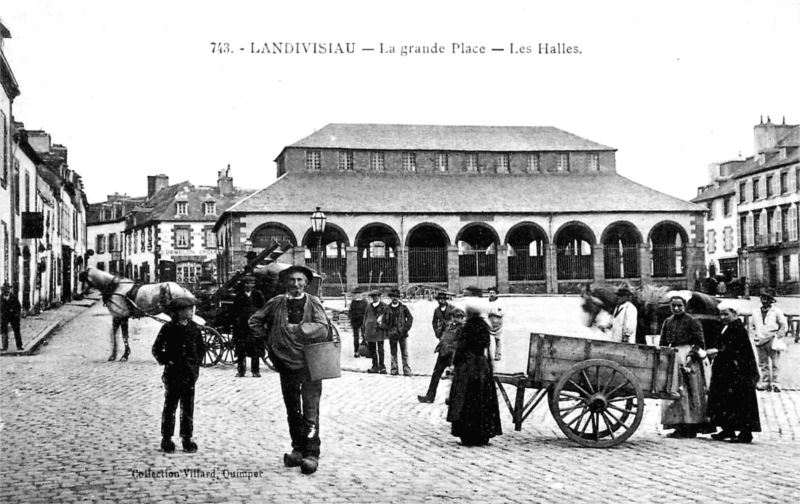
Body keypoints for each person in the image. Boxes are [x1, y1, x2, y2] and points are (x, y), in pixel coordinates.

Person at [249, 265, 330, 475]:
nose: (296, 284)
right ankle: (297, 449)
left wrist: (300, 330)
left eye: (300, 280)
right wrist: (269, 340)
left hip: (310, 363)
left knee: (311, 409)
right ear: (286, 282)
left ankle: (312, 452)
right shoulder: (276, 303)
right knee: (293, 409)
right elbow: (255, 320)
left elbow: (323, 327)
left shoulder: (313, 303)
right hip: (286, 364)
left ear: (306, 283)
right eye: (292, 280)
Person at [447, 287, 502, 446]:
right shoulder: (484, 326)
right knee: (483, 400)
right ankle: (483, 433)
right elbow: (487, 347)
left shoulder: (468, 327)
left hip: (468, 367)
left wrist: (456, 362)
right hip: (482, 366)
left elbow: (462, 348)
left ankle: (468, 434)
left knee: (466, 399)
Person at [151, 297, 204, 454]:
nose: (190, 312)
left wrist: (195, 365)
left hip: (189, 374)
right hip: (173, 373)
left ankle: (187, 438)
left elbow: (201, 348)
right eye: (187, 309)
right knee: (170, 407)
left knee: (188, 408)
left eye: (191, 309)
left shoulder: (195, 328)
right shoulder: (168, 328)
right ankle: (166, 438)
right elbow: (156, 349)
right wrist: (169, 361)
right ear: (178, 312)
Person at [706, 301, 761, 444]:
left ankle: (745, 432)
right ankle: (727, 428)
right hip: (726, 370)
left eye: (726, 314)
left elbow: (738, 350)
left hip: (737, 371)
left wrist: (718, 351)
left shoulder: (738, 329)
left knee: (740, 401)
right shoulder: (727, 327)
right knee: (725, 400)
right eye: (721, 314)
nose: (723, 317)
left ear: (735, 314)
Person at [659, 291, 712, 439]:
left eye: (679, 306)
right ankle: (677, 424)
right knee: (674, 390)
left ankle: (691, 425)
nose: (676, 309)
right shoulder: (668, 321)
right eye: (673, 306)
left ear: (685, 306)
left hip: (689, 358)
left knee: (689, 391)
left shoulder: (692, 321)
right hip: (673, 357)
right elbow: (662, 341)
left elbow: (700, 343)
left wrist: (690, 356)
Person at [419, 307, 465, 403]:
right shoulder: (449, 326)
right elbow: (444, 338)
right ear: (452, 317)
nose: (459, 319)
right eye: (457, 317)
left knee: (455, 378)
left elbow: (460, 345)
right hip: (443, 354)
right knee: (436, 374)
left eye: (461, 317)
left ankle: (453, 399)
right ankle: (430, 396)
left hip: (453, 356)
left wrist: (454, 360)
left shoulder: (462, 329)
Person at [750, 289, 788, 392]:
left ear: (771, 300)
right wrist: (754, 336)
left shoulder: (776, 312)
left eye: (766, 298)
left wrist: (778, 336)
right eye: (762, 298)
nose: (764, 300)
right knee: (763, 363)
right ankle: (765, 382)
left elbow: (783, 325)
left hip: (772, 338)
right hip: (760, 339)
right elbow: (752, 326)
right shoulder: (756, 312)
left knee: (775, 363)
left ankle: (776, 383)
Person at [233, 275, 266, 377]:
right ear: (244, 285)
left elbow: (263, 308)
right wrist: (237, 322)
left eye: (251, 283)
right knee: (241, 350)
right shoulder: (239, 296)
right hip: (242, 327)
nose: (249, 285)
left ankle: (255, 371)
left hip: (253, 326)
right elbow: (235, 310)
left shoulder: (257, 295)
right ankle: (241, 371)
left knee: (255, 349)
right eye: (247, 283)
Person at [382, 287, 414, 375]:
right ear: (391, 298)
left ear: (399, 298)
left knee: (404, 352)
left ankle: (406, 369)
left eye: (396, 297)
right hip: (392, 333)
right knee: (393, 352)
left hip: (402, 333)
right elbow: (383, 321)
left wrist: (406, 328)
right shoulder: (387, 309)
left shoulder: (403, 308)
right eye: (393, 297)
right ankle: (394, 369)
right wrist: (387, 329)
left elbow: (410, 318)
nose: (395, 298)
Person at [362, 290, 387, 374]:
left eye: (377, 296)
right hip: (370, 331)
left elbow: (388, 316)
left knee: (380, 349)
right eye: (373, 297)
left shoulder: (384, 306)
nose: (375, 298)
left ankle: (382, 366)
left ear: (379, 297)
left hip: (379, 330)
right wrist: (364, 330)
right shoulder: (369, 306)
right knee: (372, 350)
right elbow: (365, 318)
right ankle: (375, 366)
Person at [1, 283, 23, 352]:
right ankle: (5, 346)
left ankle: (19, 346)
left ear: (9, 290)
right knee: (4, 331)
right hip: (4, 316)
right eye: (5, 290)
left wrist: (17, 314)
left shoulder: (14, 297)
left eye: (7, 289)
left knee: (17, 331)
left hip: (14, 316)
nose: (6, 291)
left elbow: (18, 307)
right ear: (2, 290)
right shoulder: (0, 298)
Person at [348, 288, 368, 358]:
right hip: (355, 321)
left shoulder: (365, 302)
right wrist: (351, 318)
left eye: (358, 294)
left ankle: (365, 350)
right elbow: (350, 311)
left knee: (364, 335)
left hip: (363, 321)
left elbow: (366, 312)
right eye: (355, 294)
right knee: (356, 337)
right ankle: (356, 351)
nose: (356, 296)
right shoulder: (353, 302)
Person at [486, 287, 505, 360]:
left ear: (497, 294)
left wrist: (492, 312)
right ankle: (488, 355)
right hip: (488, 321)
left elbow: (501, 312)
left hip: (497, 322)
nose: (491, 295)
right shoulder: (487, 301)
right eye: (490, 293)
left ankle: (498, 355)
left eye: (493, 293)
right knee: (487, 339)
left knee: (497, 339)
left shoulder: (500, 302)